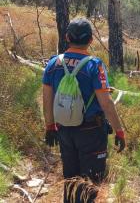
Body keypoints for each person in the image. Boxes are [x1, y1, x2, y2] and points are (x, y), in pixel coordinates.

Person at [42, 18, 126, 187]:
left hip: (64, 129)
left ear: (67, 37)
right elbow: (107, 103)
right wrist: (119, 131)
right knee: (90, 184)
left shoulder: (54, 63)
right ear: (90, 40)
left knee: (70, 180)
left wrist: (50, 126)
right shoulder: (95, 65)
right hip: (91, 131)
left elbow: (46, 98)